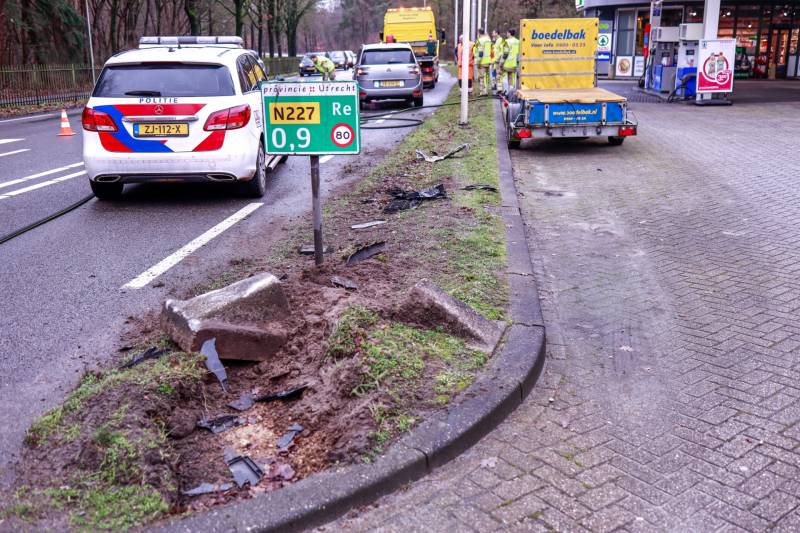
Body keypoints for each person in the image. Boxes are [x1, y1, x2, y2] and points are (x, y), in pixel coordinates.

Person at [472, 28, 493, 96]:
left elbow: (480, 53)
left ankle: (483, 92)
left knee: (482, 77)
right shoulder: (489, 40)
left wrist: (478, 62)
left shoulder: (480, 40)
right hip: (488, 61)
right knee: (486, 76)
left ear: (479, 33)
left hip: (482, 61)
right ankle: (486, 90)